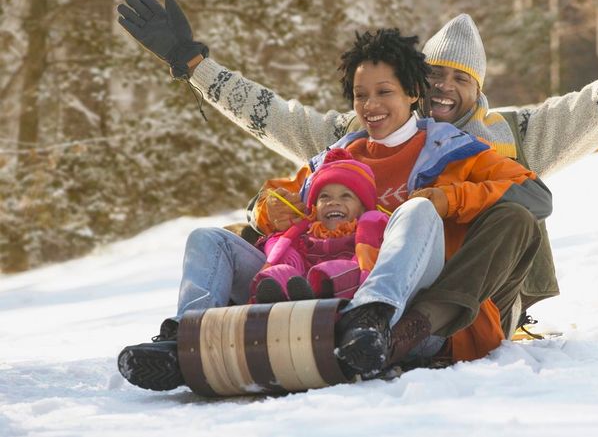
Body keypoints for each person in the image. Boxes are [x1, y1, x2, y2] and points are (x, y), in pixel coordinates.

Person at [116, 0, 598, 341]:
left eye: (457, 79)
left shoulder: (514, 136)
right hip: (366, 274)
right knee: (252, 224)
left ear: (478, 87)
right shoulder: (363, 128)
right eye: (430, 77)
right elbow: (269, 112)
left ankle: (416, 328)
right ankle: (210, 330)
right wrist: (193, 66)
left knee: (513, 211)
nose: (441, 89)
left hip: (472, 293)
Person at [116, 27, 552, 390]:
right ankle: (184, 339)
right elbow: (272, 196)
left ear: (414, 94)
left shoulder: (455, 151)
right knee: (209, 238)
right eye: (361, 95)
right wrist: (271, 212)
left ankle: (372, 317)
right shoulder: (335, 155)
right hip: (315, 289)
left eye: (385, 92)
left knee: (416, 213)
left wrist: (447, 198)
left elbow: (535, 195)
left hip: (404, 307)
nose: (371, 106)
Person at [249, 148, 389, 304]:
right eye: (324, 196)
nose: (333, 202)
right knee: (279, 273)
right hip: (301, 285)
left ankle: (320, 291)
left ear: (362, 208)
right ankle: (273, 296)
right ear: (314, 208)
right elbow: (277, 242)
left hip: (343, 289)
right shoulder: (307, 233)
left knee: (341, 270)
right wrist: (286, 255)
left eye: (346, 196)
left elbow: (371, 257)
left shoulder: (366, 233)